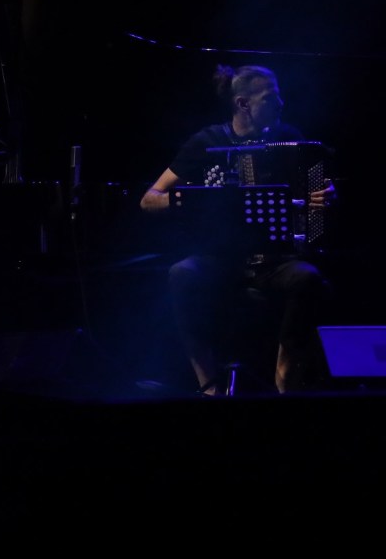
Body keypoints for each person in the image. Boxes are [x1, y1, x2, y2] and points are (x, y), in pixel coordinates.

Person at [140, 64, 336, 396]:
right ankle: (208, 384)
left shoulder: (290, 139)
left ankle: (285, 375)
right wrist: (194, 199)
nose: (281, 104)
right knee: (181, 273)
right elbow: (149, 199)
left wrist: (324, 197)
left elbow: (313, 198)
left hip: (274, 260)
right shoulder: (207, 142)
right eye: (270, 98)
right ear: (243, 103)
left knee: (308, 278)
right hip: (218, 258)